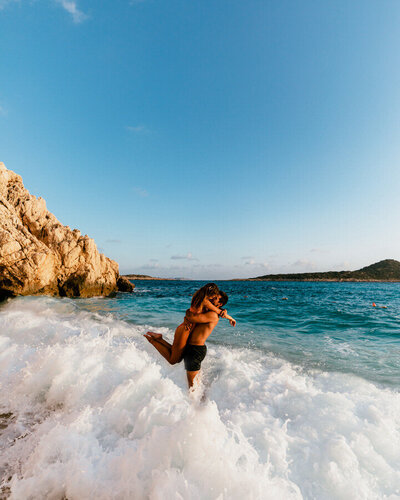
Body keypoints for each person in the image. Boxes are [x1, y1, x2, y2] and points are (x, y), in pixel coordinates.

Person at [144, 286, 236, 387]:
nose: (211, 299)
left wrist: (225, 314)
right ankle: (157, 340)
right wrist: (225, 314)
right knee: (178, 363)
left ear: (220, 304)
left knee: (192, 385)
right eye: (212, 297)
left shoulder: (212, 315)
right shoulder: (208, 309)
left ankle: (196, 402)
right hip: (192, 346)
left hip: (195, 350)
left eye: (215, 298)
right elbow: (199, 310)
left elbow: (191, 316)